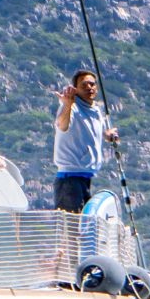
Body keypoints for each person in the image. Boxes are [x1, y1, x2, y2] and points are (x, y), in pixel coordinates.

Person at [52, 69, 118, 214]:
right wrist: (67, 104)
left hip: (86, 177)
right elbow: (62, 125)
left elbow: (93, 130)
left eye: (92, 84)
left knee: (83, 227)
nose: (89, 87)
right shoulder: (72, 107)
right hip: (70, 179)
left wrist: (106, 135)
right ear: (75, 89)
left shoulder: (95, 110)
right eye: (84, 85)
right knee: (72, 229)